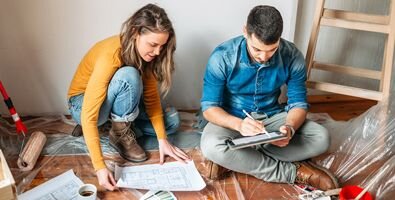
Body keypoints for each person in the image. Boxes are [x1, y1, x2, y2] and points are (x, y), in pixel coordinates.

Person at [200, 5, 339, 191]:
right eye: (257, 49)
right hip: (233, 119)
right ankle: (292, 172)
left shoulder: (292, 55)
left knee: (321, 138)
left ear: (279, 38)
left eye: (272, 50)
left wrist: (289, 127)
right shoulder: (222, 57)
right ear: (245, 32)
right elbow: (209, 108)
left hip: (272, 116)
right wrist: (239, 125)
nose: (264, 57)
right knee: (210, 146)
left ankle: (239, 159)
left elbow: (298, 103)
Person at [67, 4, 190, 191]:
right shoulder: (112, 54)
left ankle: (115, 126)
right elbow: (89, 115)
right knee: (129, 76)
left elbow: (151, 99)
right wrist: (100, 167)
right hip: (83, 106)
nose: (157, 52)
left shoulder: (147, 56)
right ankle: (117, 132)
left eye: (162, 46)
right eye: (153, 44)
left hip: (113, 106)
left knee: (172, 120)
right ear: (135, 33)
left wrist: (163, 140)